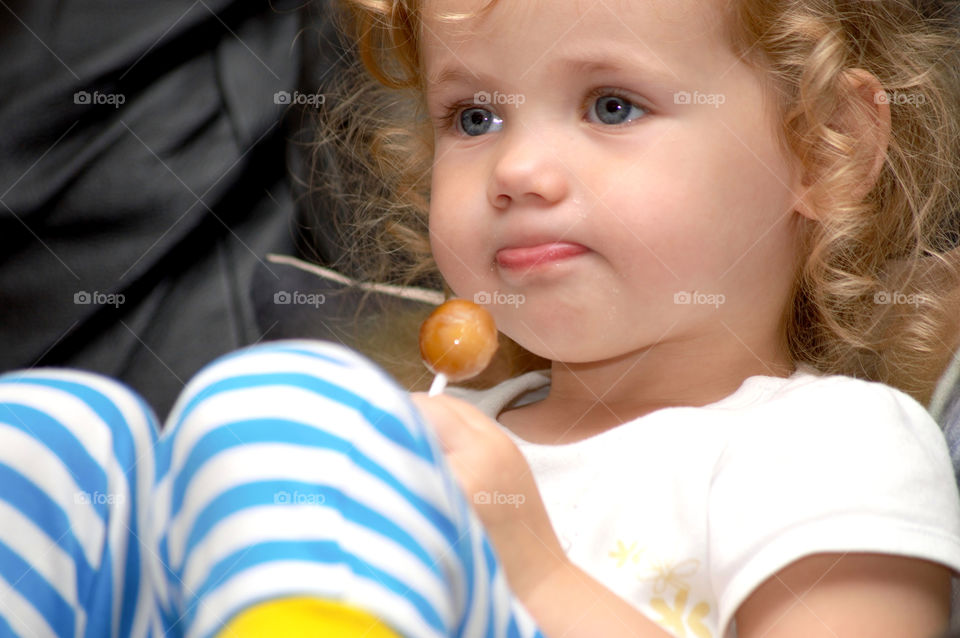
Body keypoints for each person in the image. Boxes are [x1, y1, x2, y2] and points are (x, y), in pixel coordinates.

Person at [3, 0, 960, 637]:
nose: (516, 171)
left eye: (613, 105)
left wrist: (533, 576)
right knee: (59, 436)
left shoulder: (836, 444)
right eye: (473, 119)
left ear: (827, 148)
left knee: (289, 398)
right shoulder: (445, 434)